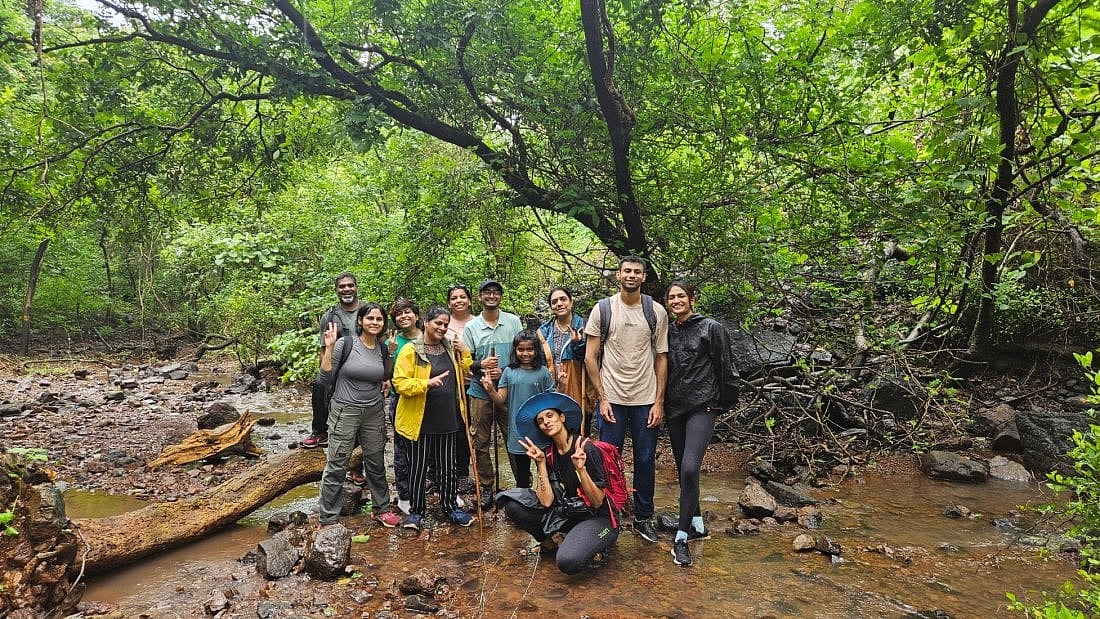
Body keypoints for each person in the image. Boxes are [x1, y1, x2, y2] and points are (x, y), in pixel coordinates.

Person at [584, 256, 668, 543]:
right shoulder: (603, 309)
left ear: (644, 277)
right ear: (618, 275)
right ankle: (610, 515)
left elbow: (661, 357)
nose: (631, 275)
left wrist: (659, 401)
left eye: (637, 272)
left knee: (645, 459)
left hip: (645, 397)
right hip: (613, 398)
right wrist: (602, 397)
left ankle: (644, 517)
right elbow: (590, 356)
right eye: (627, 271)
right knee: (608, 459)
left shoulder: (655, 311)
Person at [498, 392, 620, 575]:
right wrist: (540, 464)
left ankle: (595, 546)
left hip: (600, 520)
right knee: (513, 505)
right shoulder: (549, 454)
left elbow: (597, 501)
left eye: (549, 416)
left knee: (568, 562)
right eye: (540, 420)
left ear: (562, 417)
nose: (546, 422)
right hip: (569, 515)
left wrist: (581, 469)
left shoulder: (587, 449)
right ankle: (552, 542)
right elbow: (546, 502)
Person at [664, 281, 739, 566]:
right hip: (674, 409)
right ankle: (697, 524)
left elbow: (727, 368)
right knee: (684, 470)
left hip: (702, 407)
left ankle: (681, 537)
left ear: (692, 299)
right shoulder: (668, 331)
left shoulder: (711, 328)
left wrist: (719, 404)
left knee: (690, 467)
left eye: (681, 295)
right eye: (671, 297)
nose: (676, 300)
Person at [317, 302, 402, 529]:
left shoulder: (383, 348)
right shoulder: (345, 344)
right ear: (360, 321)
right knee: (337, 463)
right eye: (370, 318)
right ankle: (327, 519)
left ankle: (381, 509)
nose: (374, 322)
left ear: (384, 324)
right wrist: (329, 347)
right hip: (345, 410)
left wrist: (391, 354)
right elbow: (325, 375)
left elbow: (384, 375)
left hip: (374, 411)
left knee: (375, 462)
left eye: (379, 319)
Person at [393, 306, 475, 530]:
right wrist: (426, 384)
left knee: (447, 467)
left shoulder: (449, 348)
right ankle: (416, 512)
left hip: (448, 417)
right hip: (420, 420)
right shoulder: (411, 351)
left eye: (445, 324)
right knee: (418, 467)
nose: (442, 328)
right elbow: (399, 383)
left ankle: (450, 507)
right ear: (426, 323)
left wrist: (464, 350)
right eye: (438, 323)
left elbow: (465, 369)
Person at [463, 279, 523, 509]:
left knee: (515, 437)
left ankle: (522, 485)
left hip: (508, 389)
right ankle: (486, 487)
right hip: (479, 389)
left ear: (500, 296)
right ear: (479, 297)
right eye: (486, 293)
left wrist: (505, 369)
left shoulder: (513, 321)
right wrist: (482, 364)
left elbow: (523, 352)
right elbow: (467, 362)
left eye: (495, 292)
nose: (491, 296)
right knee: (481, 440)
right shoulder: (472, 327)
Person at [480, 330, 555, 488]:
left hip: (542, 429)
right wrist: (490, 390)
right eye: (521, 349)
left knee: (547, 470)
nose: (525, 353)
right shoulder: (509, 372)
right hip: (518, 430)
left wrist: (560, 384)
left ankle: (549, 500)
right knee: (522, 473)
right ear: (515, 351)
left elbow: (551, 400)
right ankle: (524, 503)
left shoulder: (543, 372)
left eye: (530, 349)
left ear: (536, 350)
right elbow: (501, 400)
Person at [302, 272, 364, 449]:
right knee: (320, 388)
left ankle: (356, 465)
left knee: (359, 414)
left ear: (356, 287)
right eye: (342, 286)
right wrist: (326, 374)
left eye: (350, 285)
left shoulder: (368, 311)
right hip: (338, 366)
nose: (346, 289)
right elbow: (323, 349)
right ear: (337, 290)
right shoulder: (329, 316)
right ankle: (319, 431)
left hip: (364, 365)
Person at [538, 287, 594, 432]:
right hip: (553, 386)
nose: (559, 304)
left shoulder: (584, 326)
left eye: (563, 299)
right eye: (554, 301)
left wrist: (577, 343)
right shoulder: (545, 331)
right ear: (551, 307)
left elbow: (589, 357)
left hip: (577, 384)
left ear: (571, 302)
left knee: (577, 430)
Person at [386, 298, 422, 514]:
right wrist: (389, 353)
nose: (404, 316)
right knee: (402, 449)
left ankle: (437, 487)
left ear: (416, 316)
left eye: (407, 312)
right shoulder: (393, 342)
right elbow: (386, 374)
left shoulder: (430, 337)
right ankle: (405, 495)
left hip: (429, 397)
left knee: (433, 447)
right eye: (399, 314)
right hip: (400, 399)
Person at [445, 285, 476, 494]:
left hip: (473, 382)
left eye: (462, 297)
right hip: (450, 384)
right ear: (449, 303)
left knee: (471, 429)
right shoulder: (443, 323)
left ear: (469, 300)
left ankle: (469, 473)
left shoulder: (477, 322)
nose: (458, 301)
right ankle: (454, 471)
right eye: (454, 298)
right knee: (456, 429)